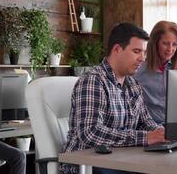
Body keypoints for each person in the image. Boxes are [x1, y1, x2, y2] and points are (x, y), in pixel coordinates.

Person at [60, 22, 166, 174]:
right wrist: (145, 138)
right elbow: (91, 133)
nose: (142, 59)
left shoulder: (133, 84)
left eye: (144, 53)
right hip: (85, 165)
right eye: (137, 51)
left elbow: (145, 122)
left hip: (119, 160)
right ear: (117, 49)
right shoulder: (94, 81)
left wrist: (162, 133)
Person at [134, 21, 177, 125]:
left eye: (174, 44)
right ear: (155, 43)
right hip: (148, 127)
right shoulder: (139, 67)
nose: (170, 49)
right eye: (165, 43)